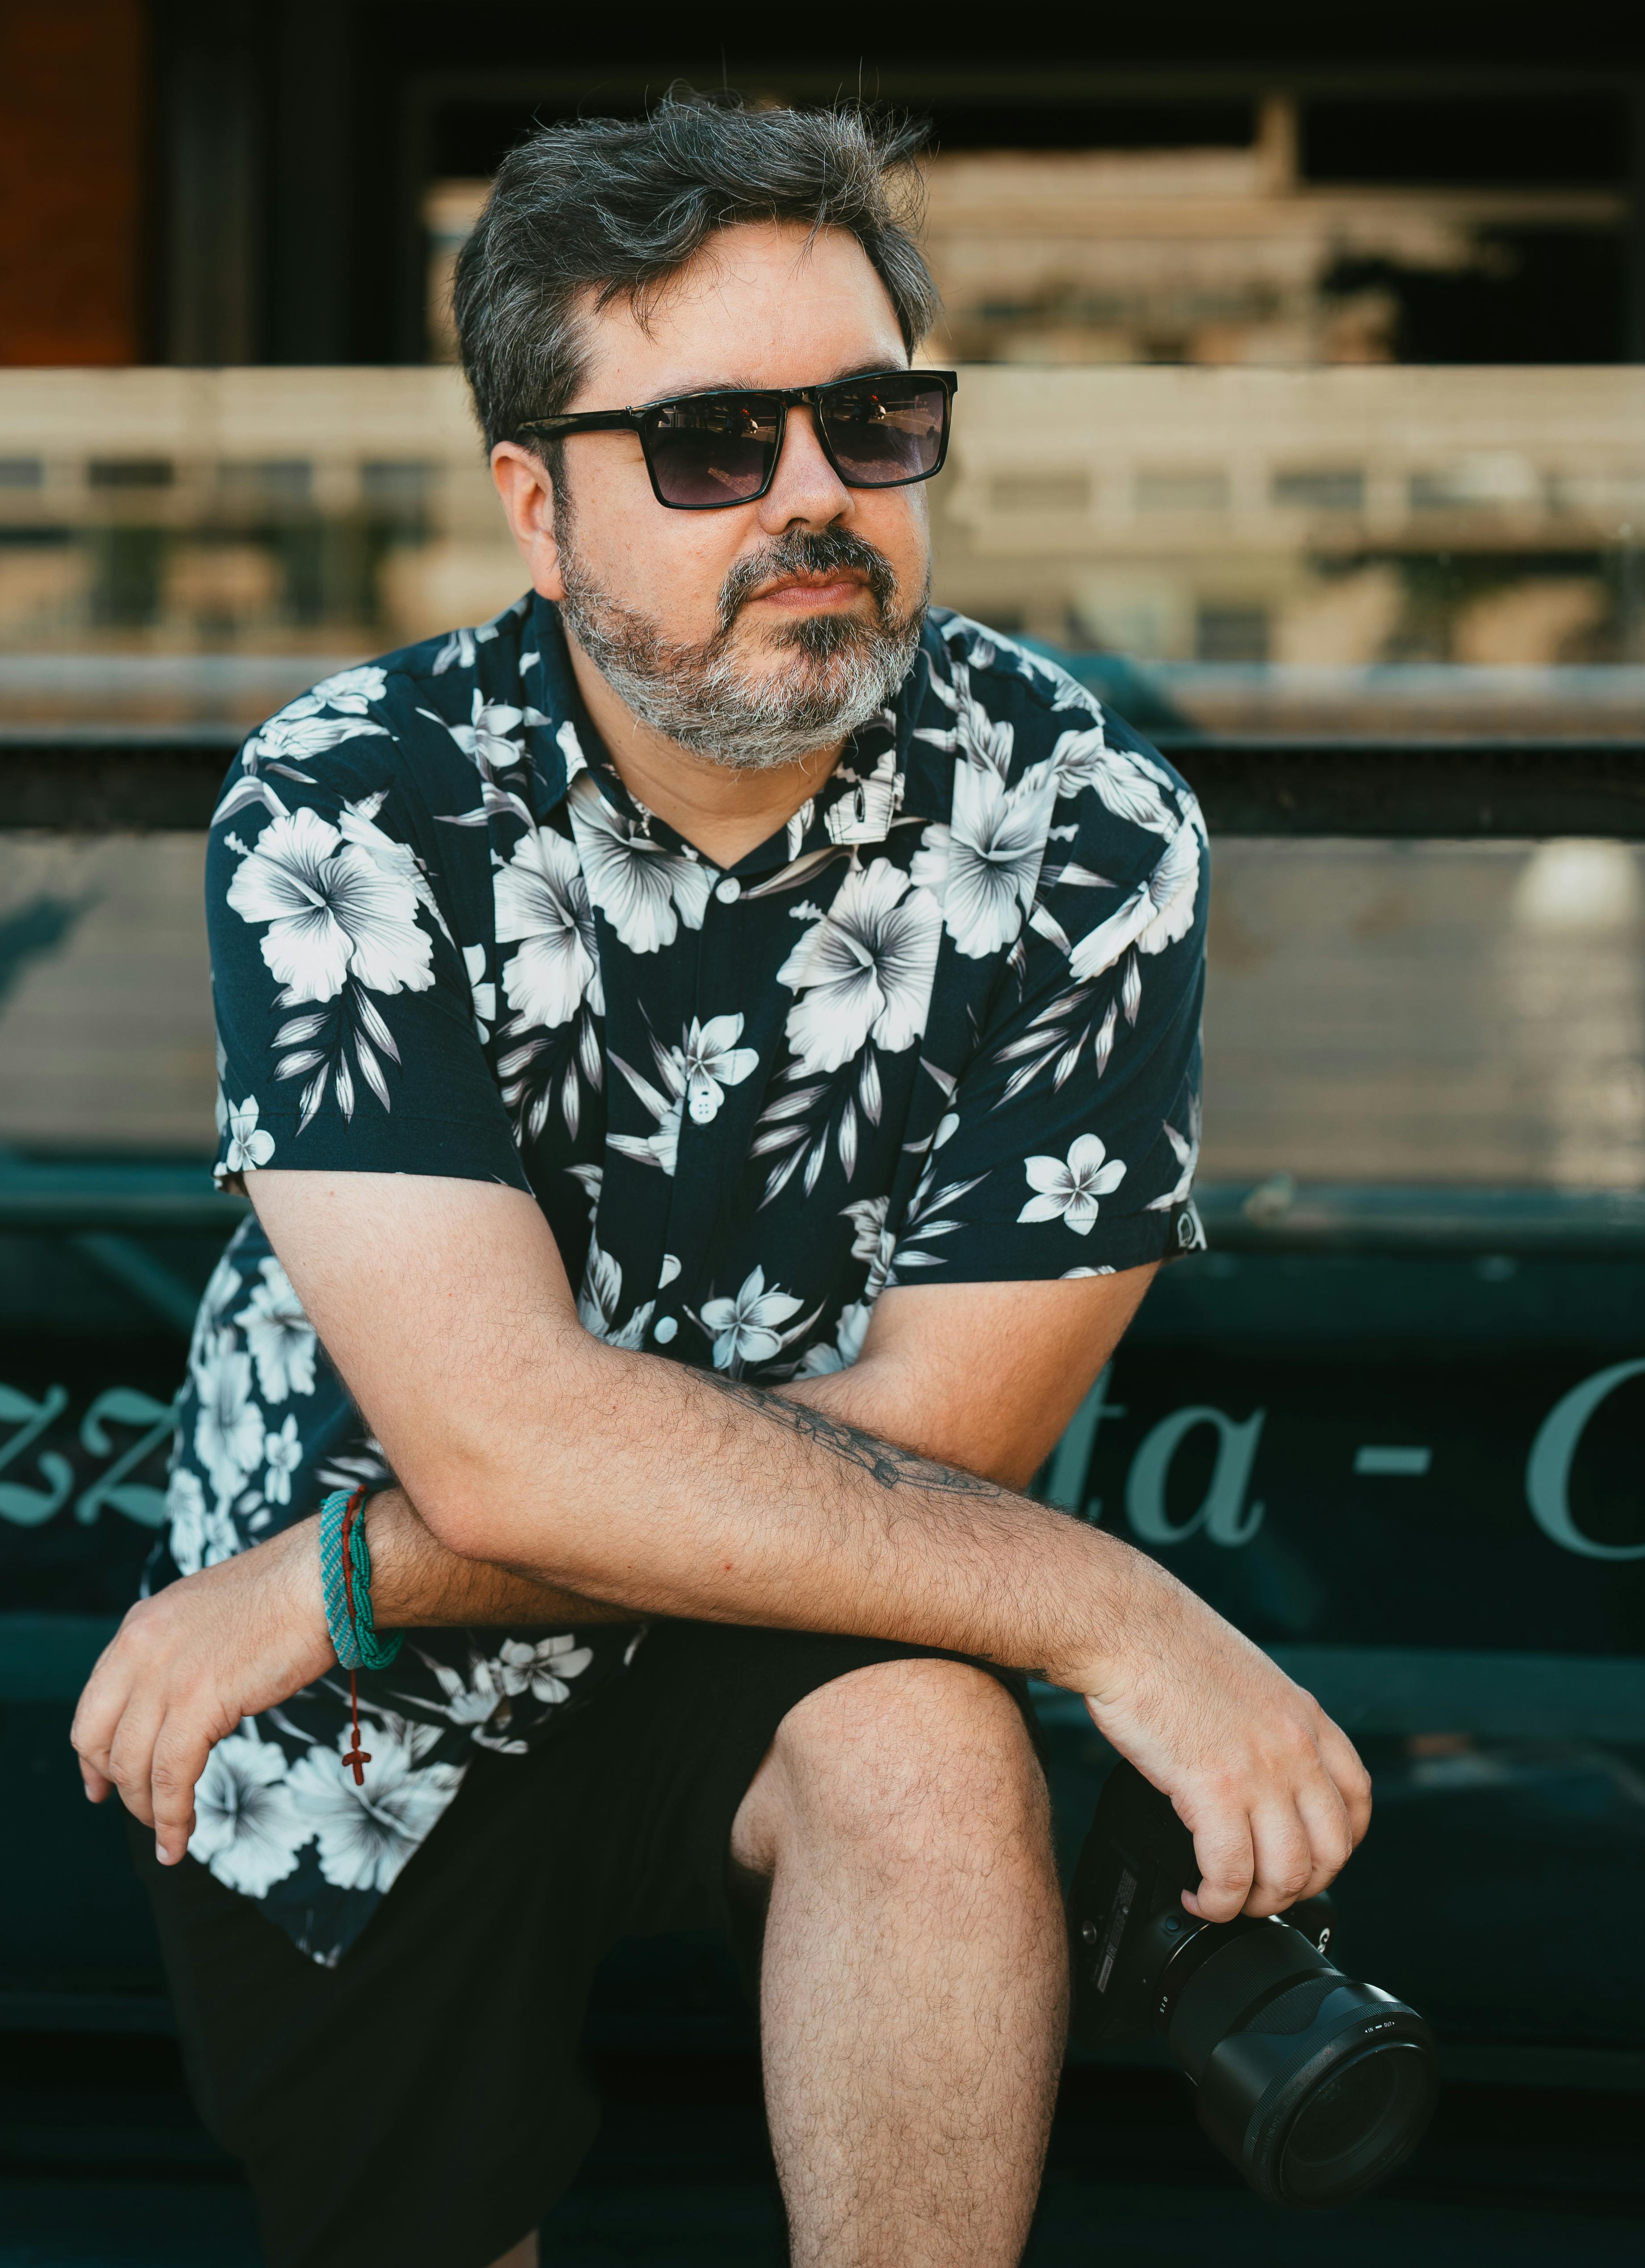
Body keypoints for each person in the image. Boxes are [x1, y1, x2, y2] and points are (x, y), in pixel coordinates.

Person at [71, 97, 1370, 2268]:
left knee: (934, 1745)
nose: (812, 501)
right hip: (335, 1734)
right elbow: (497, 1436)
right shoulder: (352, 808)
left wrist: (353, 1564)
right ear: (534, 503)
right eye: (707, 448)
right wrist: (1118, 1609)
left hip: (622, 1616)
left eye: (872, 423)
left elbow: (953, 1444)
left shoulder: (1083, 829)